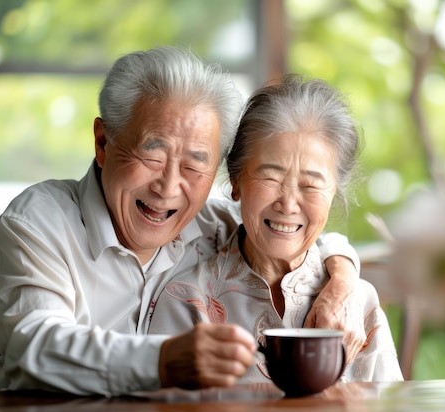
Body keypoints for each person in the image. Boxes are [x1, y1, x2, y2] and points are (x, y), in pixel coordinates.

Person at [0, 47, 366, 396]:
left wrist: (343, 280)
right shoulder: (40, 221)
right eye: (152, 153)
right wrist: (163, 360)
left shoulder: (210, 224)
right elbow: (34, 346)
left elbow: (292, 227)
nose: (168, 187)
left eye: (196, 162)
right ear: (103, 142)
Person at [148, 74, 403, 383]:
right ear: (235, 181)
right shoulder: (187, 300)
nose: (289, 204)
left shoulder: (357, 301)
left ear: (334, 194)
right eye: (271, 177)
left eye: (311, 185)